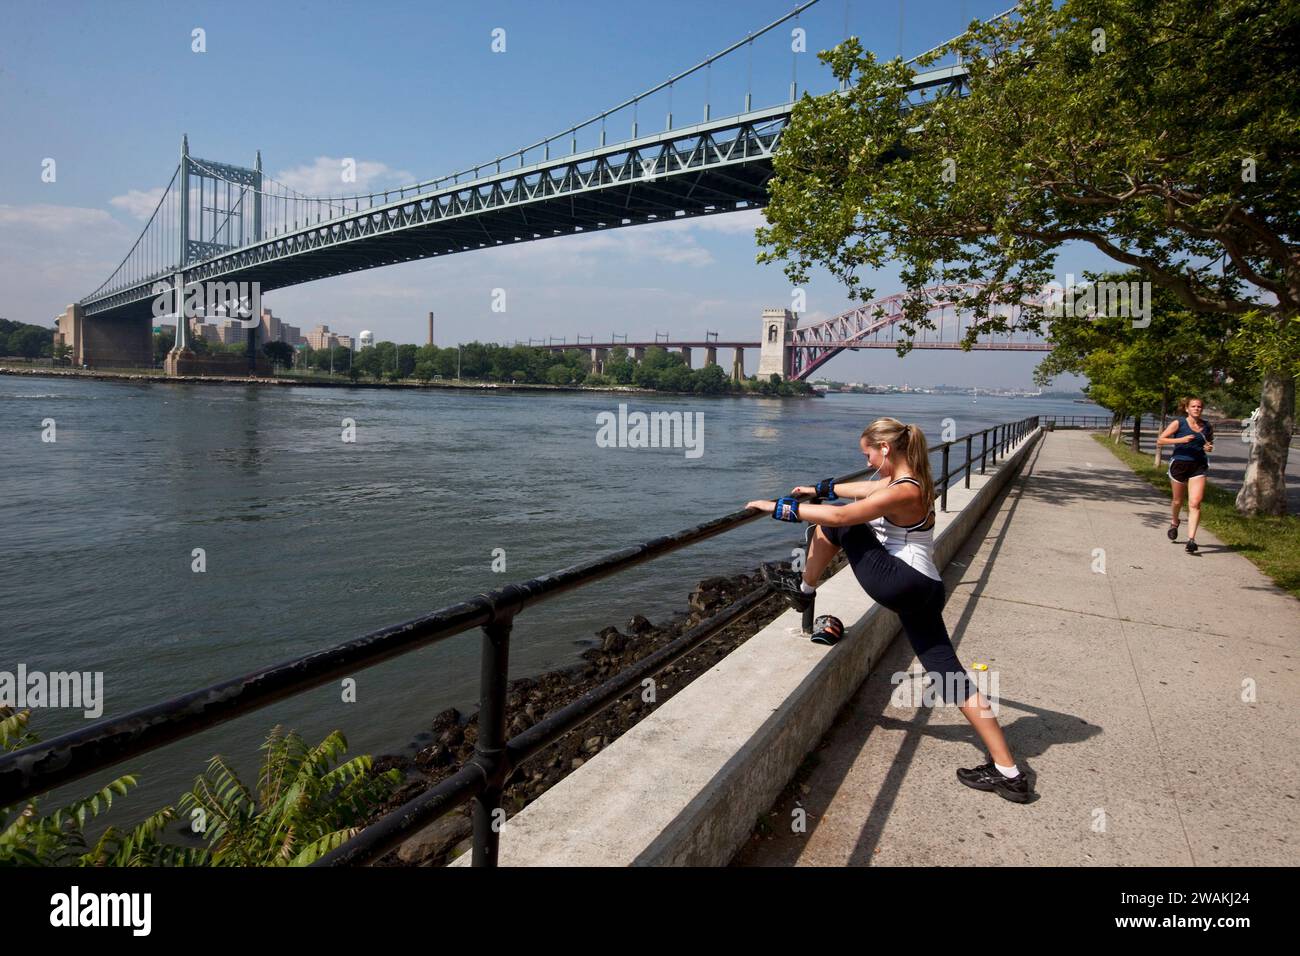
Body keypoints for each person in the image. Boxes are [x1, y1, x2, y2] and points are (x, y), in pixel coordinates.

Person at [744, 417, 1033, 803]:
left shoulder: (903, 490)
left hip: (902, 582)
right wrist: (820, 488)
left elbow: (842, 515)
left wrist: (778, 507)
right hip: (924, 588)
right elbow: (863, 488)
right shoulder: (912, 480)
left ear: (885, 450)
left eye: (868, 455)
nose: (867, 462)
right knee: (949, 675)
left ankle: (804, 589)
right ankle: (1009, 773)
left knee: (841, 526)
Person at [1156, 397, 1214, 554]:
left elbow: (1208, 444)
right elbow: (1160, 440)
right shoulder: (1179, 423)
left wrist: (1208, 448)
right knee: (1177, 501)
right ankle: (1175, 522)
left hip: (1198, 466)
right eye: (1193, 406)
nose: (1197, 409)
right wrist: (1181, 439)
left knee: (1195, 503)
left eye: (1199, 406)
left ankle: (1191, 540)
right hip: (1179, 465)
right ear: (1187, 409)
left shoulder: (1207, 426)